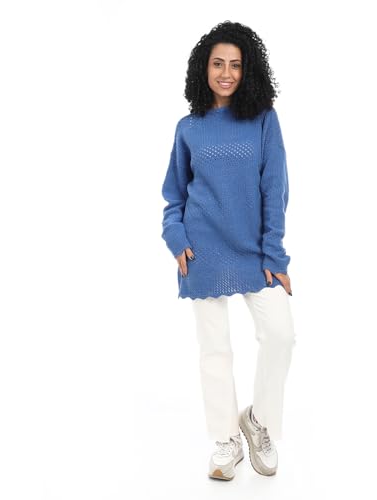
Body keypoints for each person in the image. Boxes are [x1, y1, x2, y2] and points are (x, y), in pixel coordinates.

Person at [160, 20, 296, 481]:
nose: (226, 73)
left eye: (235, 65)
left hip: (255, 252)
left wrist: (274, 256)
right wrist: (176, 239)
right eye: (217, 64)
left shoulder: (264, 120)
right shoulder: (188, 128)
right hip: (202, 251)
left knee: (280, 335)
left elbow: (275, 188)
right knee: (214, 350)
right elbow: (174, 196)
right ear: (204, 69)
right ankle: (225, 439)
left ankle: (257, 421)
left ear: (247, 70)